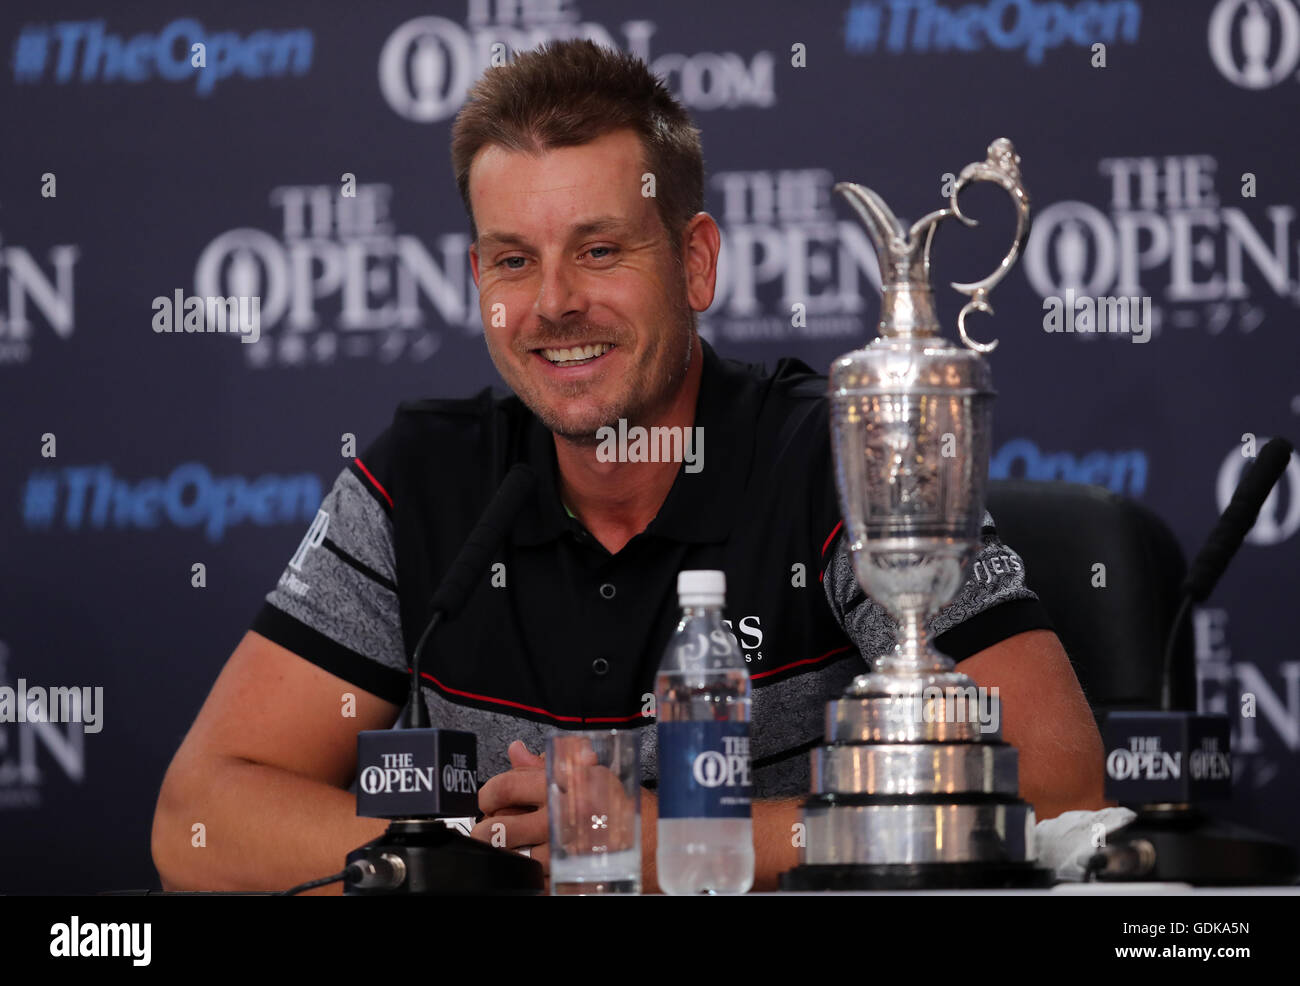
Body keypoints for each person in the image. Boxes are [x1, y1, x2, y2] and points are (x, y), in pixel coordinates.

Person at [151, 39, 1107, 895]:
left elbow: (1061, 788)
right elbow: (198, 822)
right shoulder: (418, 481)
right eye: (513, 261)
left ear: (695, 263)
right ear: (477, 281)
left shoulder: (841, 457)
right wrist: (492, 859)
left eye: (600, 250)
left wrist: (682, 843)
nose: (554, 303)